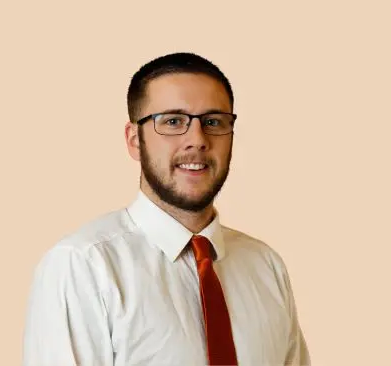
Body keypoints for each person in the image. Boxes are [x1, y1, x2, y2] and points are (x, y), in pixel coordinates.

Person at [22, 52, 311, 366]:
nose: (197, 139)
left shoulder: (265, 266)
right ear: (135, 140)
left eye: (213, 122)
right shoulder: (84, 267)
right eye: (173, 122)